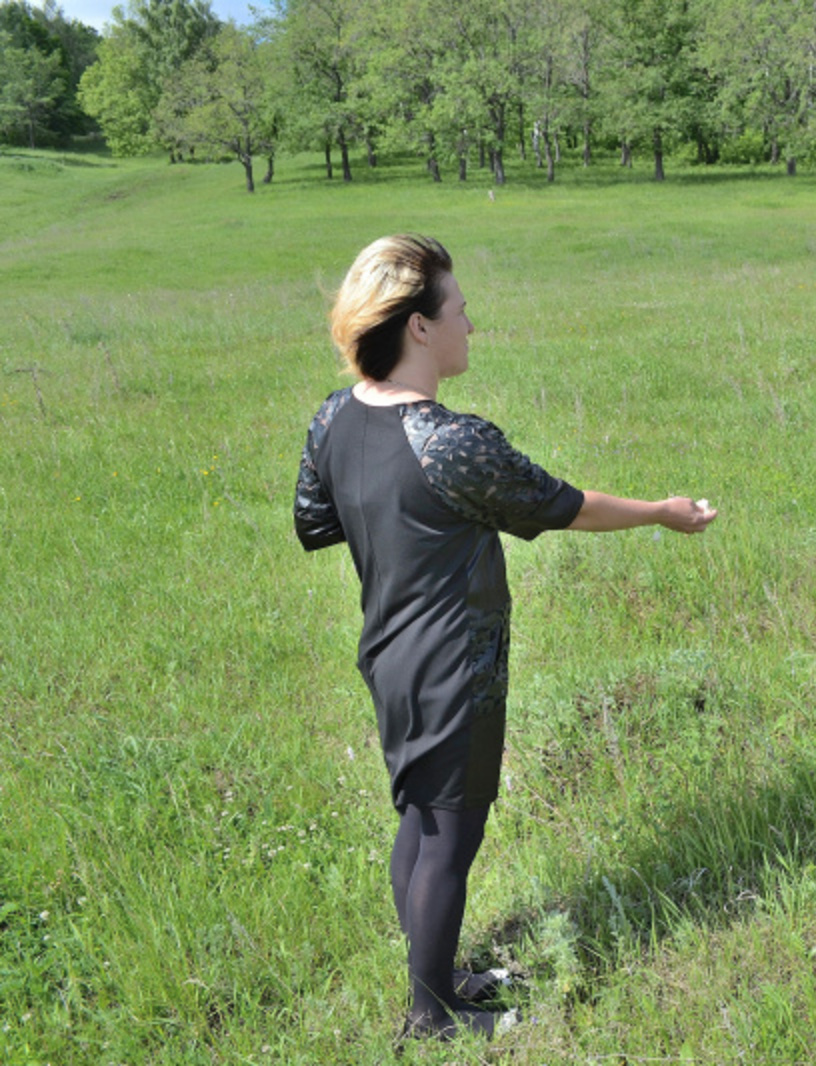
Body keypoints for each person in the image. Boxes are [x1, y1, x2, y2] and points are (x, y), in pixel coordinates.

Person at [294, 234, 716, 1041]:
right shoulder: (449, 441)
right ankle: (433, 1018)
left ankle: (437, 972)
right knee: (451, 833)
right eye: (458, 309)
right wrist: (664, 512)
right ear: (418, 326)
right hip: (456, 664)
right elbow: (566, 505)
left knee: (417, 817)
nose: (470, 325)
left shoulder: (334, 417)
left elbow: (315, 523)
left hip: (388, 654)